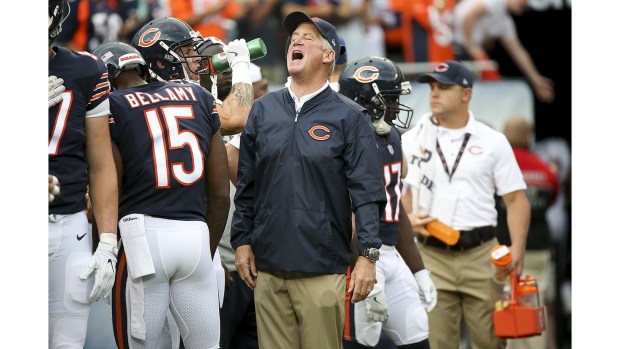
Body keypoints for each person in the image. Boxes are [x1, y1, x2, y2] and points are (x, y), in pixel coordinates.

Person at [230, 11, 386, 349]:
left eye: (308, 37)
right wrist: (241, 239)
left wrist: (368, 257)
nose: (296, 40)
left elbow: (368, 192)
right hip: (267, 269)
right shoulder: (262, 109)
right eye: (294, 36)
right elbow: (247, 186)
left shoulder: (350, 116)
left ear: (329, 55)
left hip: (322, 268)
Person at [91, 41, 230, 348]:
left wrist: (101, 246)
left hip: (142, 238)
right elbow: (220, 193)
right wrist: (203, 255)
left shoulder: (112, 106)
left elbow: (108, 185)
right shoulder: (199, 96)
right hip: (195, 237)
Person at [400, 60, 531, 349]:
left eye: (444, 87)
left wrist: (518, 249)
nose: (434, 93)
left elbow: (516, 199)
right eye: (432, 87)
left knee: (490, 343)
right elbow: (401, 189)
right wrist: (409, 215)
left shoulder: (493, 141)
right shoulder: (411, 139)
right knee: (437, 344)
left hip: (481, 254)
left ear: (466, 94)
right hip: (430, 254)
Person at [339, 56, 436, 349]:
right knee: (362, 341)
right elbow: (347, 213)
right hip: (361, 257)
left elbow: (396, 208)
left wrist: (418, 270)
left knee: (417, 334)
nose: (397, 106)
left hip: (390, 253)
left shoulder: (391, 134)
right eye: (391, 98)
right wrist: (362, 264)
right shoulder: (348, 139)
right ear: (369, 99)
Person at [48, 1, 119, 348]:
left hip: (70, 225)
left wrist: (107, 240)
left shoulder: (85, 70)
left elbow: (101, 161)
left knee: (68, 342)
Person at [214, 62, 269, 349]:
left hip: (249, 261)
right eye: (259, 89)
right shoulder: (208, 118)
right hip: (223, 262)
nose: (265, 95)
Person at [131, 17, 254, 135]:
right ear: (162, 64)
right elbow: (236, 119)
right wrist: (240, 62)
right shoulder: (189, 94)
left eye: (194, 50)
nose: (198, 58)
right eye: (187, 52)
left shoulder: (128, 100)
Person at [497, 115, 559, 349]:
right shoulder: (544, 169)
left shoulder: (498, 165)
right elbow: (553, 199)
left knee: (505, 304)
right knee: (535, 304)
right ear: (528, 136)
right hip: (539, 248)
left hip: (502, 250)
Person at [453, 0, 555, 103]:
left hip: (467, 51)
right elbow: (470, 15)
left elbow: (518, 52)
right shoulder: (497, 2)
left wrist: (536, 79)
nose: (525, 3)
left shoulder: (504, 22)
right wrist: (471, 45)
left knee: (492, 82)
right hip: (453, 45)